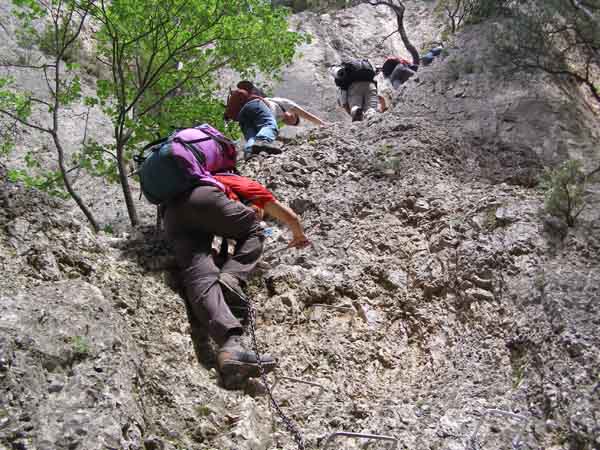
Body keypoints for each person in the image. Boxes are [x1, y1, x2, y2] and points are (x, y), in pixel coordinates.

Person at [162, 171, 309, 388]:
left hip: (172, 215)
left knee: (201, 275)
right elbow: (286, 215)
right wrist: (298, 233)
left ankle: (230, 349)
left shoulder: (183, 185)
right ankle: (231, 279)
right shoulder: (229, 179)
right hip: (204, 199)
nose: (259, 213)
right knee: (255, 229)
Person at [224, 87, 281, 159]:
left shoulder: (233, 103)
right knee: (269, 124)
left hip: (241, 116)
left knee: (251, 136)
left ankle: (249, 151)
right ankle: (263, 140)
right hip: (254, 104)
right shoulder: (251, 93)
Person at [330, 58, 378, 122]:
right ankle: (371, 115)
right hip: (371, 85)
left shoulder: (342, 81)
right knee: (371, 108)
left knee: (355, 106)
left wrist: (351, 112)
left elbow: (344, 103)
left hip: (354, 87)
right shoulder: (365, 69)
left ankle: (356, 110)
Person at [263, 96, 328, 127]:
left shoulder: (277, 119)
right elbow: (306, 115)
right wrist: (321, 123)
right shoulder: (285, 104)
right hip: (263, 105)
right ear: (293, 113)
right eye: (292, 118)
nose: (288, 120)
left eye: (289, 122)